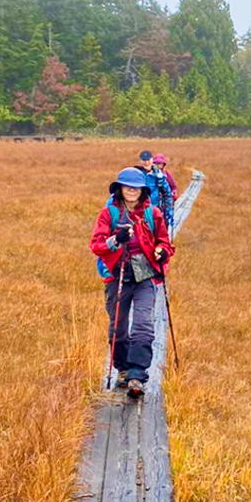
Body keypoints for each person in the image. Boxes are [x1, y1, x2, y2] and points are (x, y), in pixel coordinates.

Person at [90, 167, 174, 397]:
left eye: (136, 187)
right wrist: (116, 239)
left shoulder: (152, 213)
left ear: (142, 190)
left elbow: (165, 243)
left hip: (145, 276)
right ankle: (123, 370)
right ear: (119, 188)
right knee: (118, 326)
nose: (131, 191)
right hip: (117, 275)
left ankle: (137, 375)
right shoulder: (109, 214)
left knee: (143, 325)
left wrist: (162, 251)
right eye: (127, 186)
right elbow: (96, 245)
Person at [151, 152, 178, 225]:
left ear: (163, 165)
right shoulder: (149, 175)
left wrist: (174, 193)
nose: (158, 166)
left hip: (164, 201)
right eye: (156, 164)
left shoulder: (166, 174)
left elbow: (173, 186)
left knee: (164, 221)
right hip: (153, 201)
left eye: (160, 164)